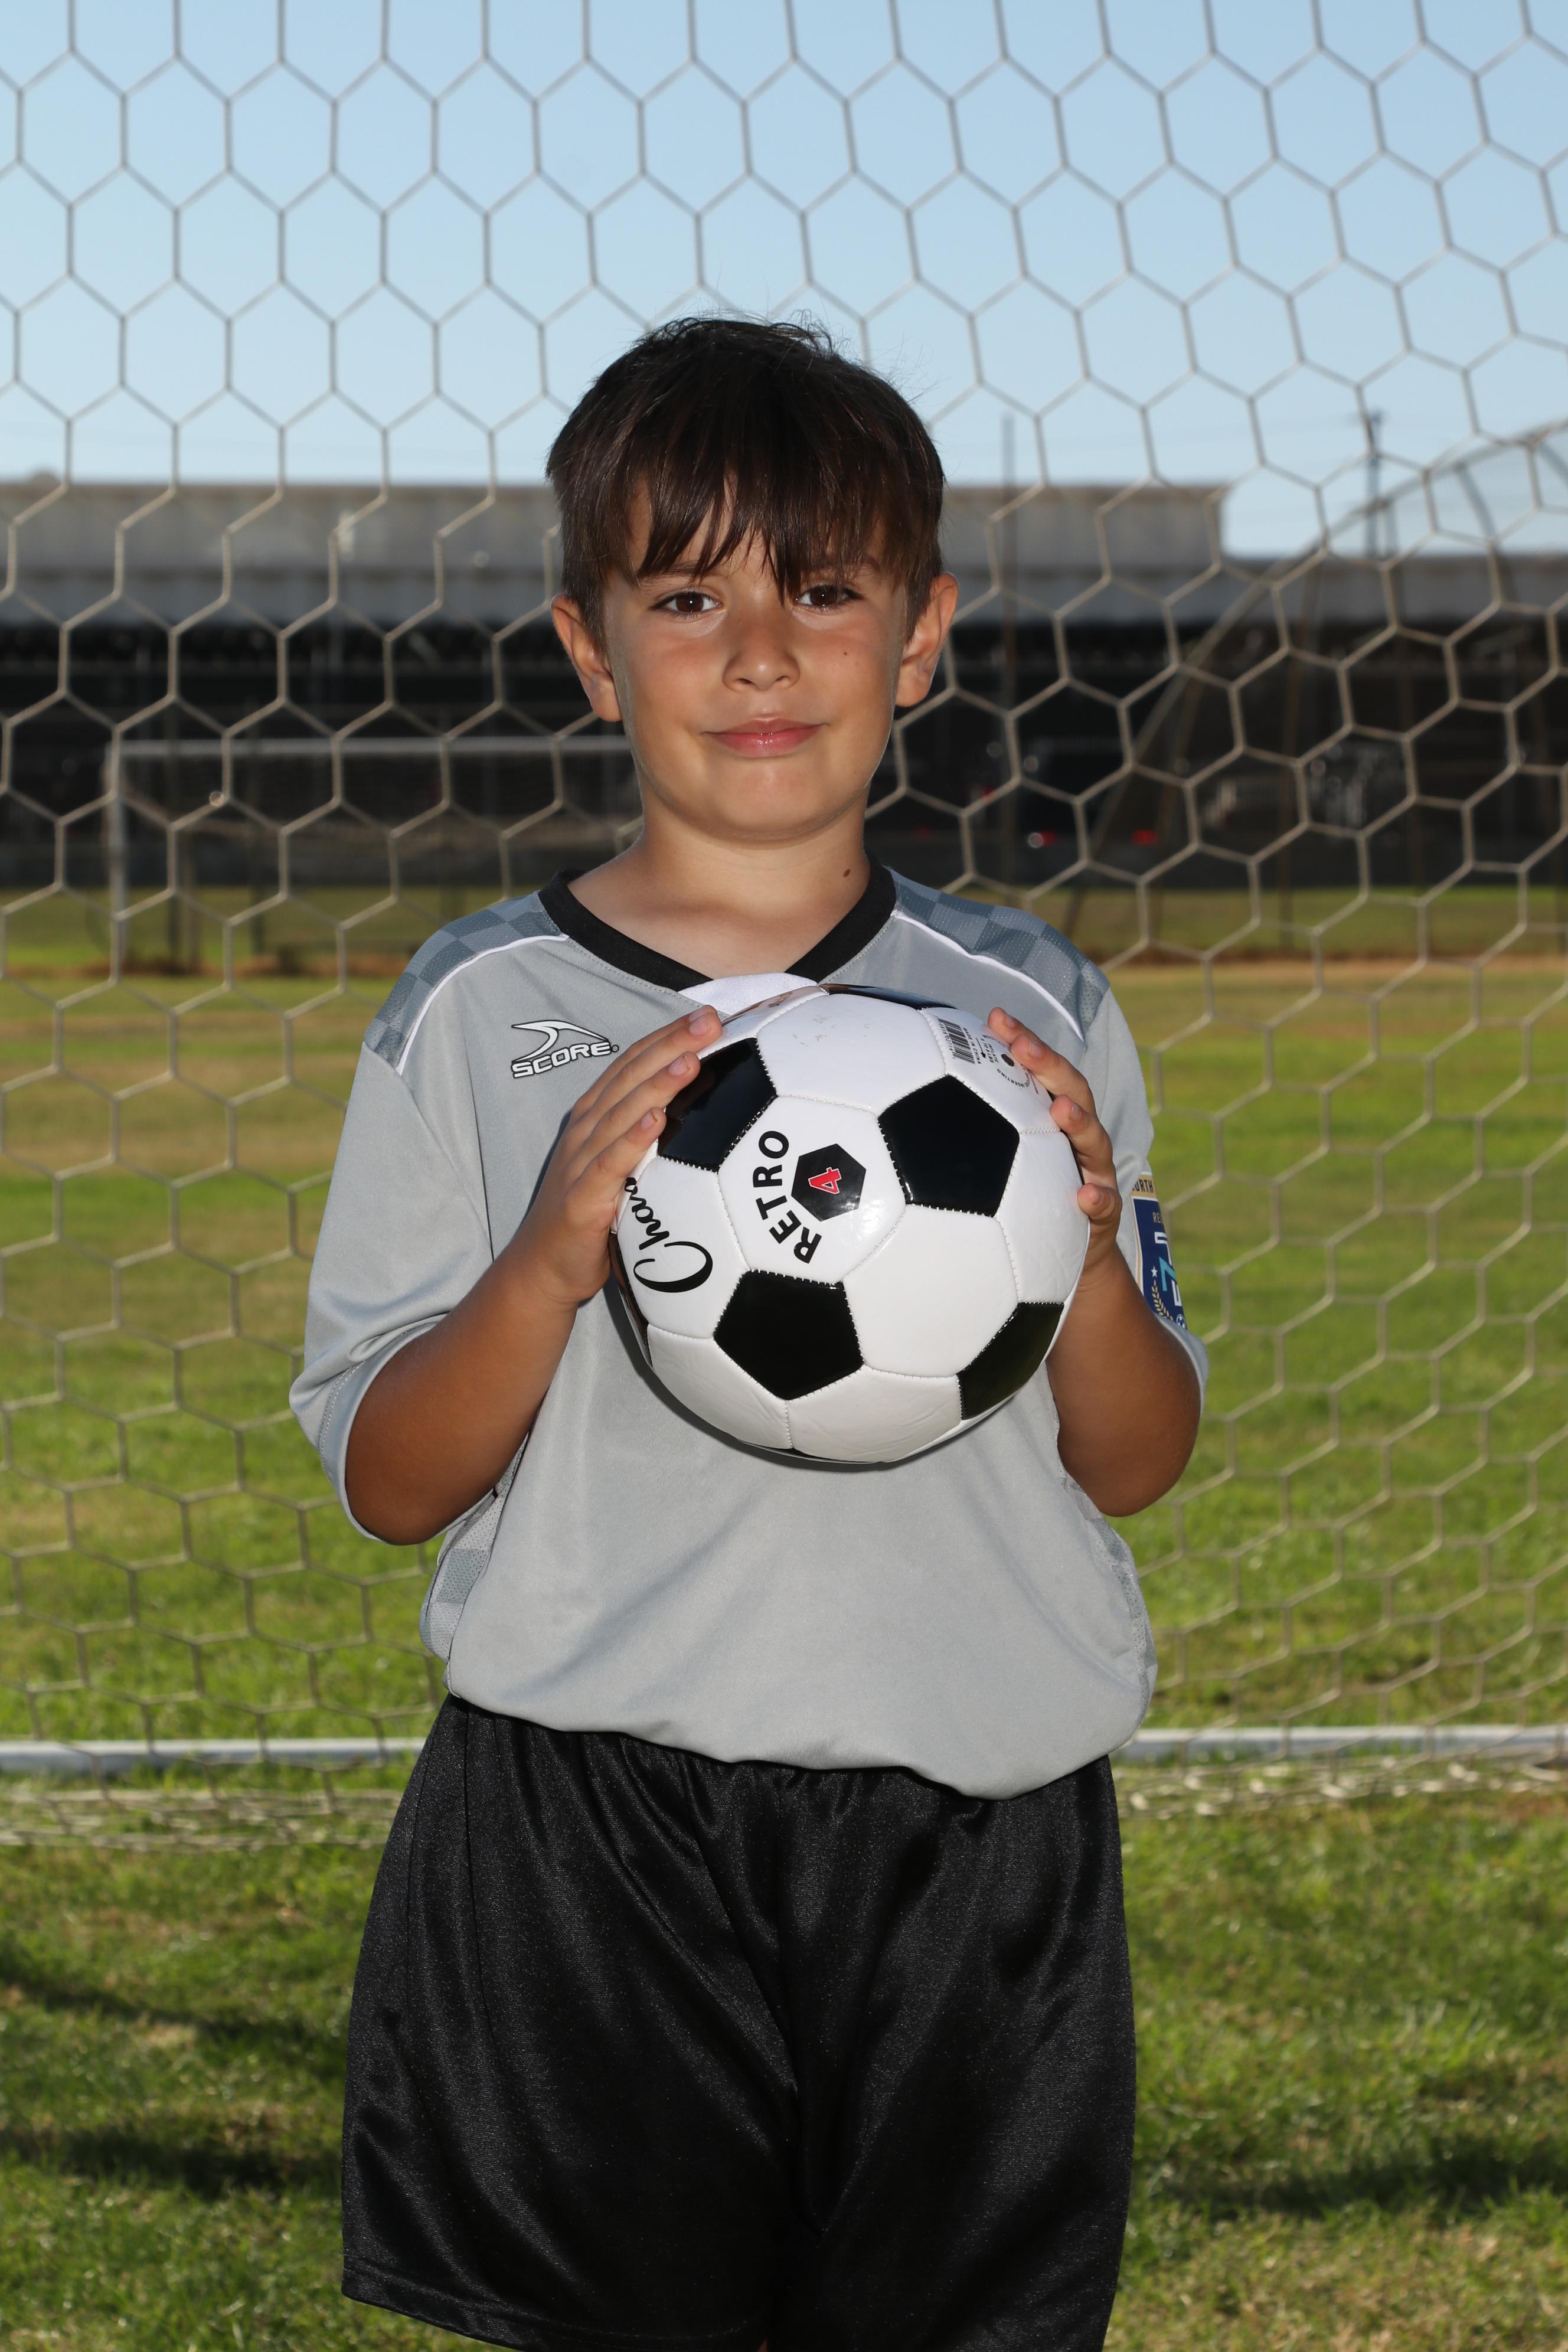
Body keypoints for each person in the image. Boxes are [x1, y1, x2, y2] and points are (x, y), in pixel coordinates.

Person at [292, 316, 1204, 2352]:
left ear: (926, 634)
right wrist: (547, 1262)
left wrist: (1083, 1254)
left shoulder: (1029, 1009)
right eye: (690, 598)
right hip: (593, 1824)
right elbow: (388, 1482)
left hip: (979, 1831)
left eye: (827, 591)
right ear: (592, 649)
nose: (764, 655)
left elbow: (1139, 1459)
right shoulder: (478, 1012)